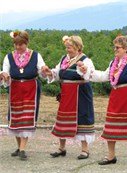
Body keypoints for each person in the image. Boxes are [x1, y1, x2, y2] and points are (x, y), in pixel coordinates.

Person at [78, 35, 127, 166]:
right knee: (110, 126)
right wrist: (86, 71)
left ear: (126, 48)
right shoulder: (113, 63)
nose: (115, 50)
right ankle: (111, 156)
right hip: (116, 97)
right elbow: (103, 76)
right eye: (114, 47)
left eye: (117, 47)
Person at [41, 35, 95, 159]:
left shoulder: (85, 60)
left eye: (70, 47)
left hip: (80, 93)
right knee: (63, 118)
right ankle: (61, 148)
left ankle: (85, 150)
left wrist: (84, 69)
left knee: (82, 117)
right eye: (66, 47)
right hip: (66, 93)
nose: (67, 50)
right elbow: (58, 72)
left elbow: (89, 73)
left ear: (77, 47)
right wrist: (50, 72)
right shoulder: (64, 59)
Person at [1, 30, 46, 160]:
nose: (18, 47)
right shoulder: (9, 57)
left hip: (31, 88)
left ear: (26, 43)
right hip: (15, 89)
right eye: (16, 44)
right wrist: (4, 75)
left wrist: (44, 70)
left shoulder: (36, 55)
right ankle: (19, 146)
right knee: (15, 117)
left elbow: (42, 70)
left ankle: (22, 149)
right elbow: (5, 71)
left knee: (27, 116)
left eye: (21, 44)